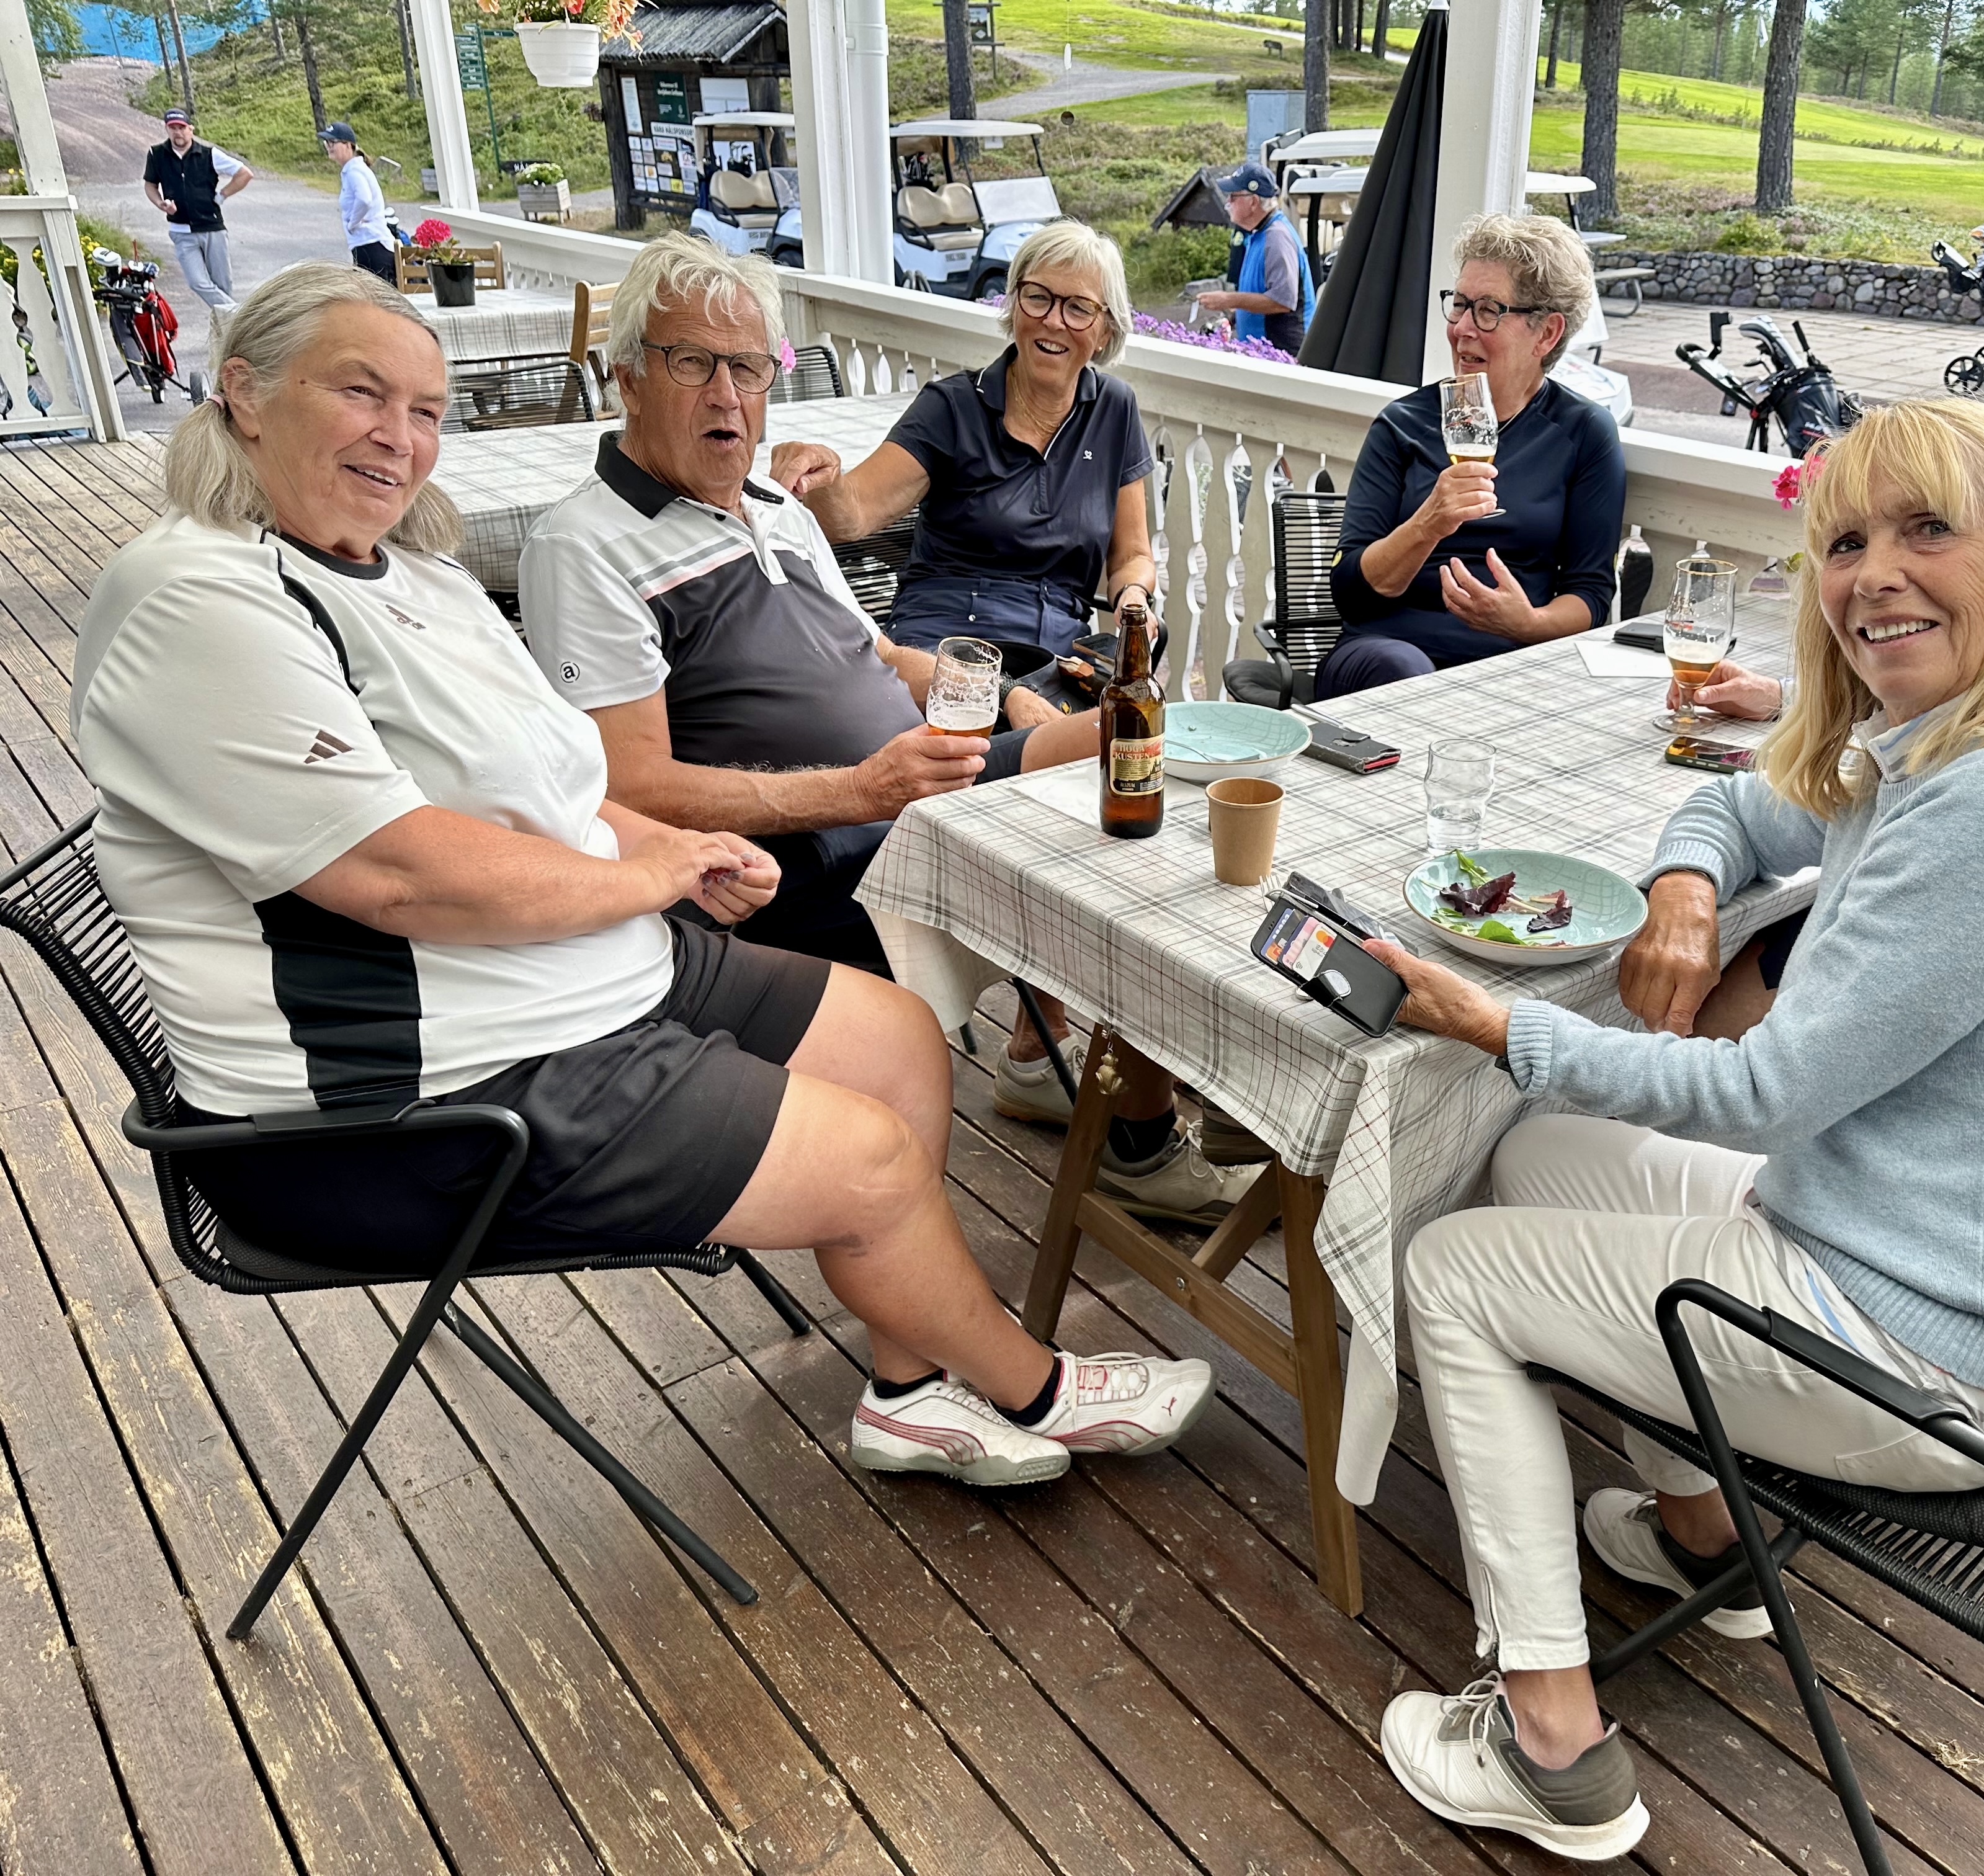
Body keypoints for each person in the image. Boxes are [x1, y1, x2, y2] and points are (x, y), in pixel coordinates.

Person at [74, 262, 1211, 1489]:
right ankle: (1035, 1384)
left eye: (425, 412)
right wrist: (655, 868)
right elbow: (400, 877)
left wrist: (665, 853)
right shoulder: (200, 594)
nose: (399, 439)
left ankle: (907, 1390)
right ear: (243, 392)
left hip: (572, 978)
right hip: (399, 1105)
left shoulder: (412, 572)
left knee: (899, 1041)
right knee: (871, 1162)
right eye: (362, 395)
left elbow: (562, 786)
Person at [1355, 399, 1984, 1862]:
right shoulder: (1943, 739)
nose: (1874, 574)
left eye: (1929, 529)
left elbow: (1762, 1094)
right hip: (1912, 1244)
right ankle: (1707, 1538)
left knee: (1461, 1268)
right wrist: (1682, 881)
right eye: (1847, 541)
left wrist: (1494, 1024)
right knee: (1534, 1148)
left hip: (1950, 1355)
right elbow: (1752, 804)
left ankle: (1552, 1744)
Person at [522, 234, 1260, 1226]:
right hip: (819, 847)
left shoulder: (773, 509)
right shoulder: (584, 546)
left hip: (917, 778)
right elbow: (628, 788)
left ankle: (1159, 1073)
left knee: (1145, 751)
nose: (727, 397)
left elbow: (878, 657)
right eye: (694, 362)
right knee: (1099, 860)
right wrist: (860, 789)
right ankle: (1137, 1130)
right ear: (628, 375)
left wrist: (1011, 703)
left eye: (748, 368)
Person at [792, 219, 1152, 661]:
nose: (1053, 321)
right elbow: (853, 513)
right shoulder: (952, 407)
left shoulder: (1114, 410)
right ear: (1015, 305)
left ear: (1105, 333)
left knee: (1114, 727)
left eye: (1079, 308)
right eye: (1038, 297)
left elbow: (1133, 554)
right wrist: (822, 477)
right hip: (940, 641)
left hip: (1053, 651)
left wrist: (1133, 596)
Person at [1321, 212, 1624, 699]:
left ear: (1545, 333)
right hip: (1386, 650)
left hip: (1513, 662)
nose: (1462, 327)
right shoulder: (1403, 425)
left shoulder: (1584, 433)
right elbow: (1350, 593)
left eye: (1487, 310)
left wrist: (1528, 622)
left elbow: (1591, 593)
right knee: (1404, 672)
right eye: (1459, 304)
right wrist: (1430, 523)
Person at [1195, 163, 1315, 358]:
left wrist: (1228, 300)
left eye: (1233, 196)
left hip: (1283, 355)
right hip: (1267, 354)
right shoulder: (1260, 233)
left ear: (1253, 202)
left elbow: (1282, 301)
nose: (1228, 201)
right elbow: (1259, 294)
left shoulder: (1277, 237)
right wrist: (1233, 320)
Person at [142, 107, 249, 316]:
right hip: (181, 231)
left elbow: (244, 173)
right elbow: (150, 185)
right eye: (172, 128)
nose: (177, 132)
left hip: (212, 227)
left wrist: (222, 195)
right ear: (167, 129)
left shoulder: (209, 154)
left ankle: (227, 334)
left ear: (190, 129)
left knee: (222, 286)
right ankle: (241, 316)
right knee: (198, 282)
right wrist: (160, 203)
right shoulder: (157, 154)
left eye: (181, 127)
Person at [322, 123, 395, 285]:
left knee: (373, 302)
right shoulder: (352, 170)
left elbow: (364, 199)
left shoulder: (354, 171)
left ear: (348, 145)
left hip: (371, 245)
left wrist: (352, 224)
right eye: (326, 143)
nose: (329, 147)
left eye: (333, 142)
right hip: (367, 244)